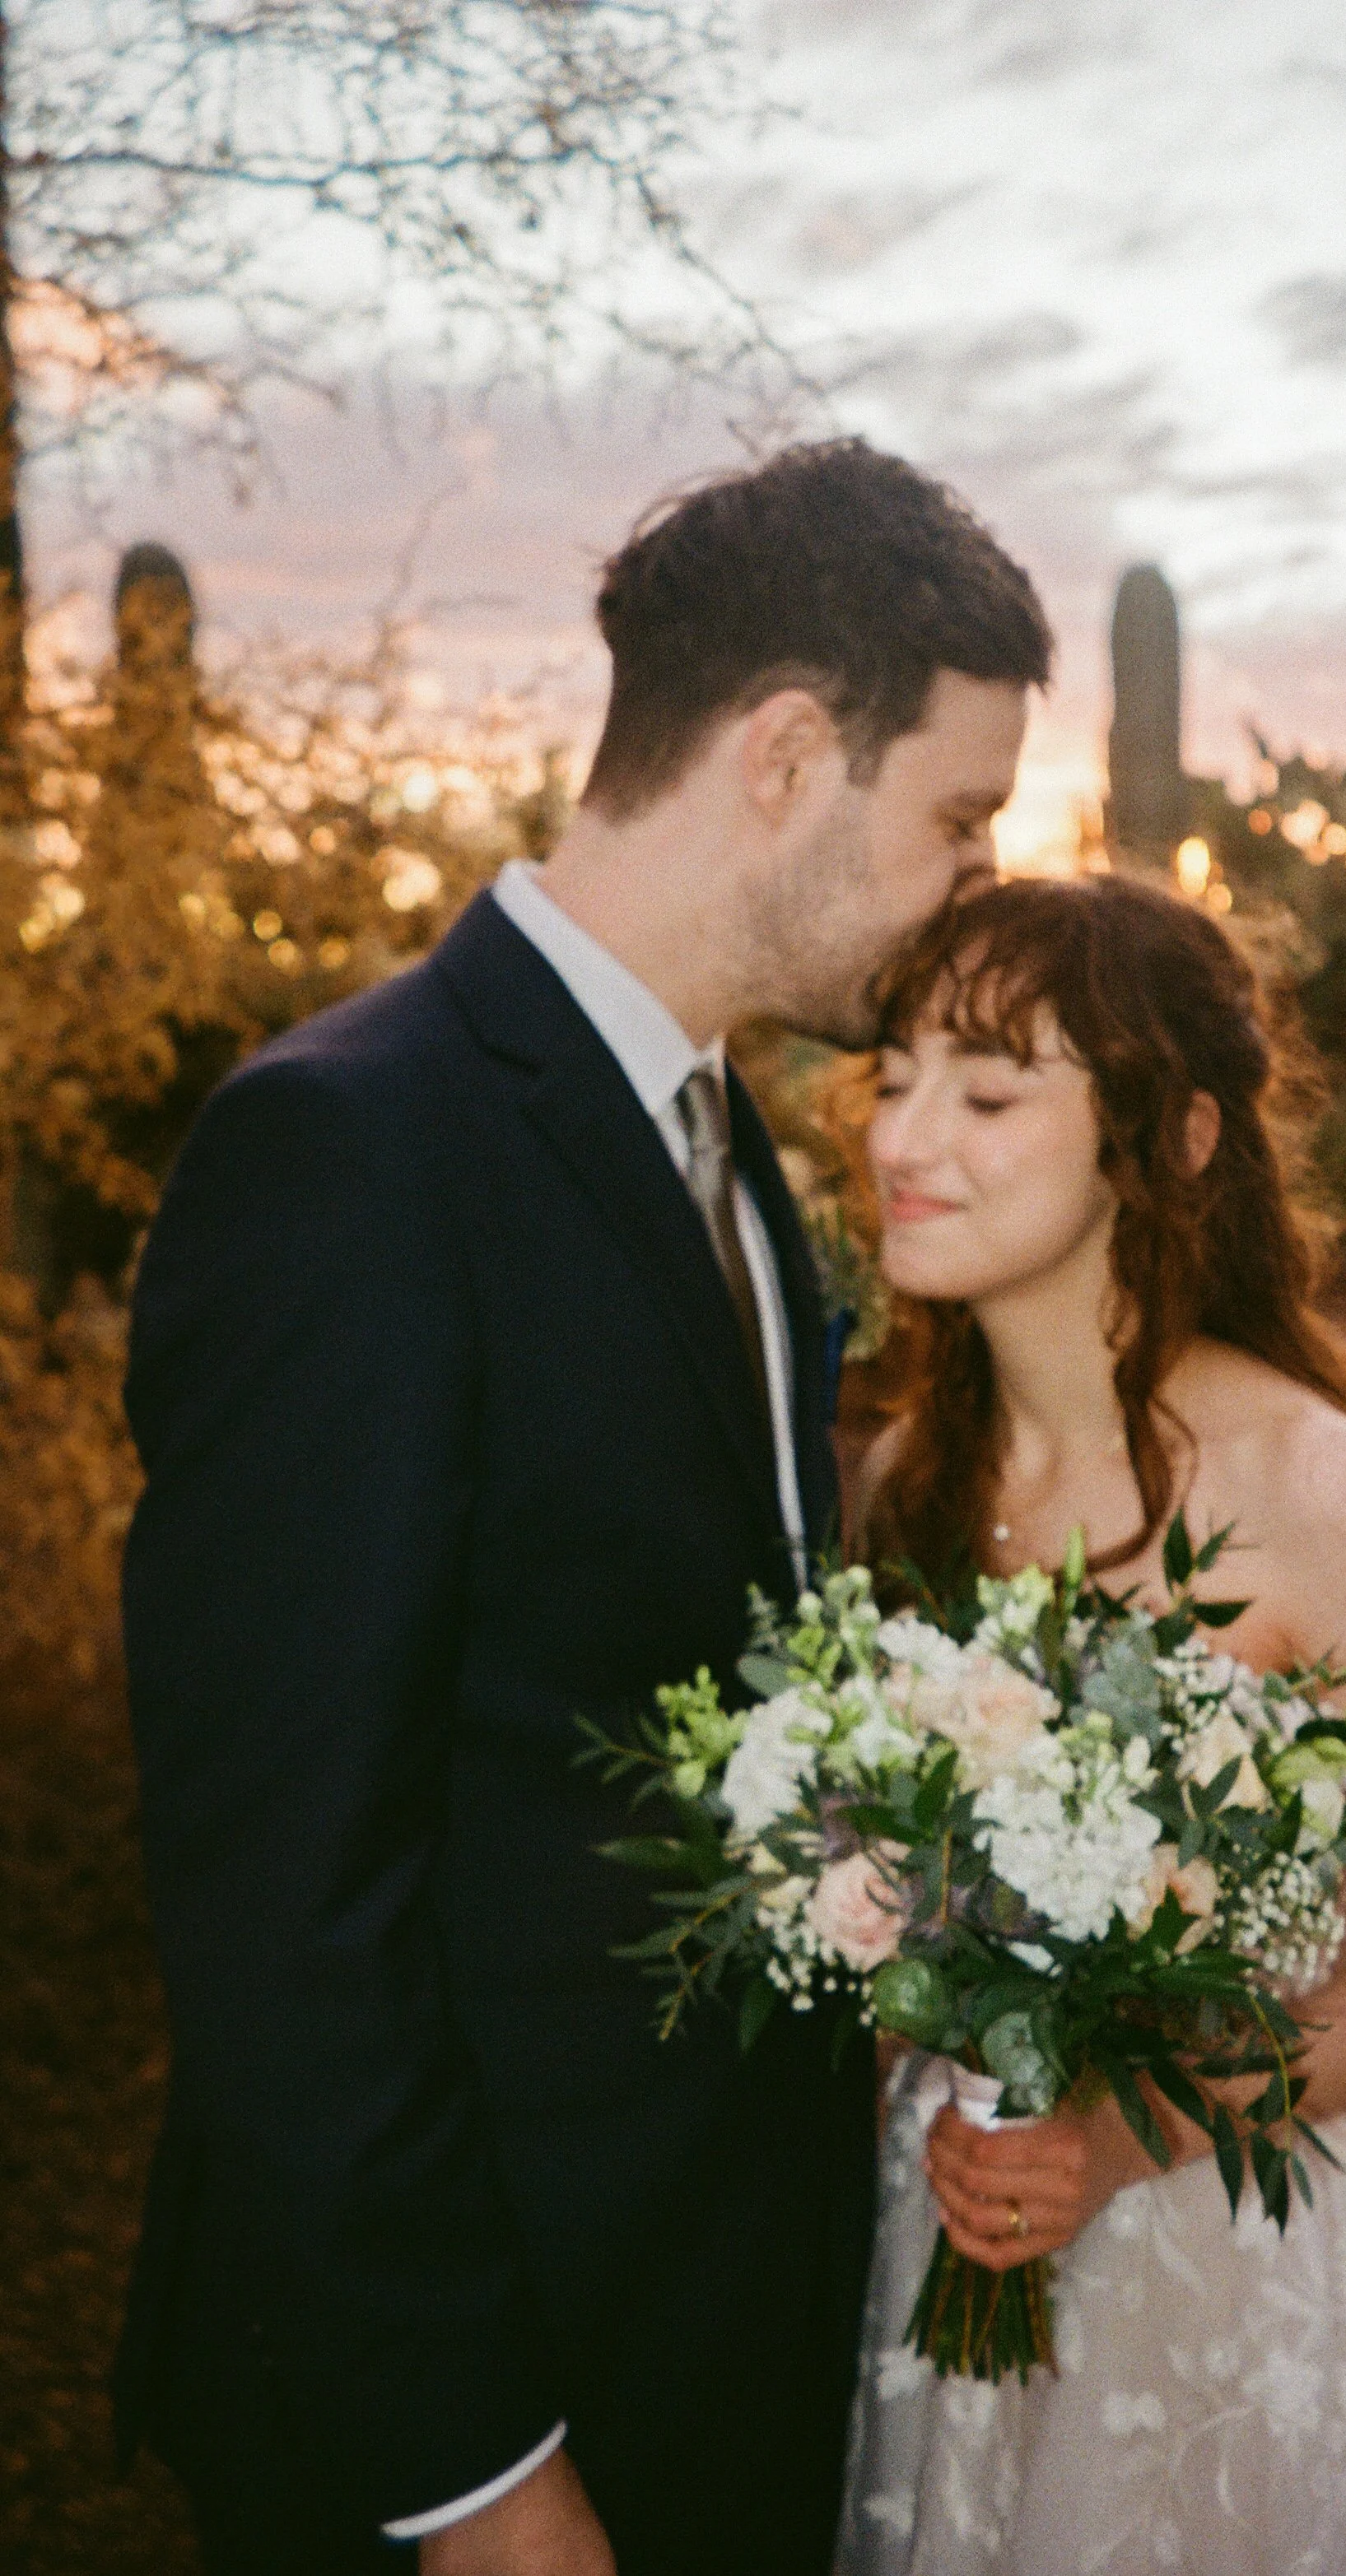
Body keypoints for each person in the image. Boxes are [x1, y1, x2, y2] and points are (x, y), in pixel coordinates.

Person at [114, 439, 1052, 2576]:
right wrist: (479, 2476)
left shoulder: (725, 1154)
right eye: (956, 819)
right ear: (791, 754)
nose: (971, 882)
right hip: (463, 2389)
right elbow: (281, 1897)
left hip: (706, 2331)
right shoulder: (352, 1156)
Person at [836, 874, 1346, 2576]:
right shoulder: (899, 1486)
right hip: (932, 2247)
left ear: (1164, 1140)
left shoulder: (1308, 1481)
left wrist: (1115, 2141)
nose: (902, 1132)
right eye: (892, 1071)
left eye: (988, 1087)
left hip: (1205, 2284)